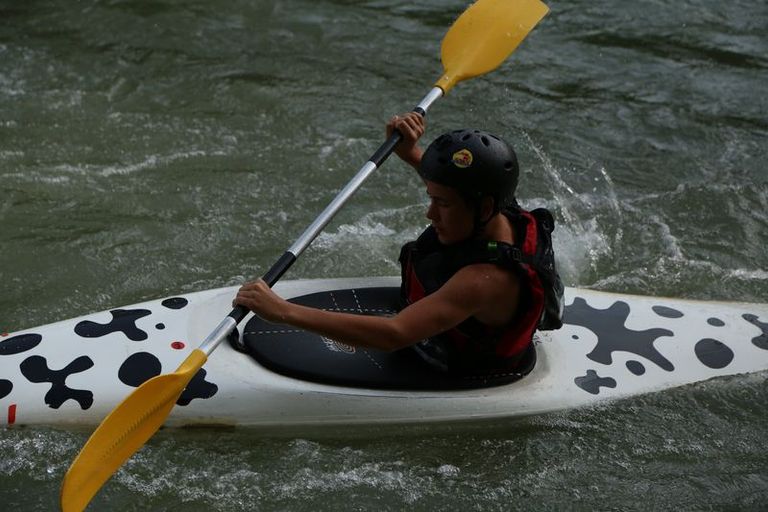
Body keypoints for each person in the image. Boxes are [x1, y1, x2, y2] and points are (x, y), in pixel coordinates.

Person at [234, 112, 561, 376]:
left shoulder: (483, 281)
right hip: (458, 321)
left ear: (485, 207)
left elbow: (394, 335)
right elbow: (458, 191)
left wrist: (283, 311)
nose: (429, 213)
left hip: (460, 366)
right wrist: (413, 154)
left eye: (442, 205)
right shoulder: (499, 209)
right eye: (431, 198)